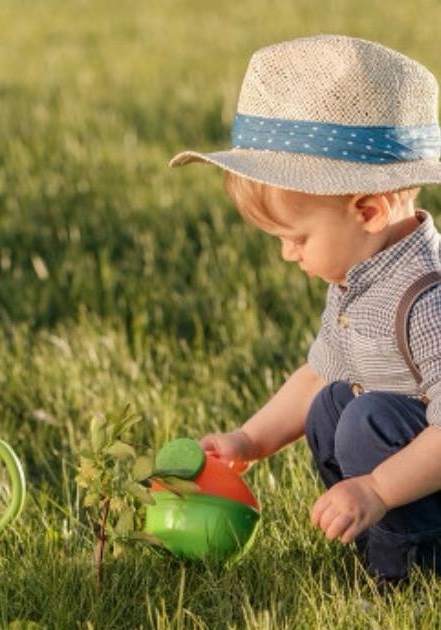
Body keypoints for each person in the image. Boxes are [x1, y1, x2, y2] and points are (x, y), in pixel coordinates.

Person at [168, 34, 441, 582]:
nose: (287, 254)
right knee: (331, 403)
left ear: (368, 211)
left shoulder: (427, 298)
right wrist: (249, 441)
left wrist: (378, 488)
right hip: (402, 474)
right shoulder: (358, 278)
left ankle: (410, 574)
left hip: (421, 473)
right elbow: (318, 375)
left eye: (296, 238)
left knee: (365, 417)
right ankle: (377, 544)